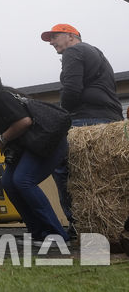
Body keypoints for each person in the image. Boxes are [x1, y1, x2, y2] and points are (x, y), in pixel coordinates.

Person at [0, 71, 69, 247]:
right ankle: (39, 233)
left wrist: (3, 138)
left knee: (23, 180)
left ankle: (56, 234)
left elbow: (24, 121)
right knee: (9, 183)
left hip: (47, 142)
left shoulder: (1, 97)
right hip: (27, 148)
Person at [41, 23, 123, 236]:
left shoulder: (74, 51)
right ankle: (114, 225)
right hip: (110, 119)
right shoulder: (97, 53)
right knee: (106, 176)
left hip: (85, 120)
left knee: (61, 166)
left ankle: (78, 224)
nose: (51, 42)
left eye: (54, 37)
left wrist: (60, 117)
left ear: (70, 36)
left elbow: (71, 89)